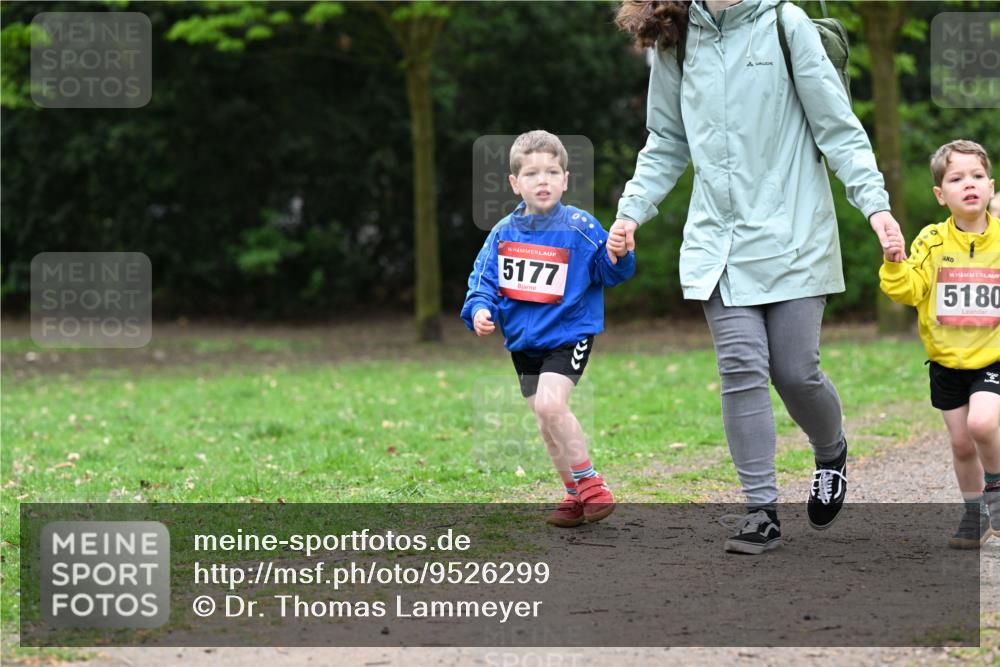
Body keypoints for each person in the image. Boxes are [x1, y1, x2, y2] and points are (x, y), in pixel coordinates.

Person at [611, 0, 906, 554]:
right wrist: (631, 212)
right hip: (717, 242)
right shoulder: (677, 38)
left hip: (794, 231)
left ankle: (831, 450)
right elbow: (666, 140)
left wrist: (877, 208)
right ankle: (760, 509)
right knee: (742, 366)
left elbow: (838, 129)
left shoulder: (785, 23)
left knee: (795, 372)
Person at [461, 130, 636, 526]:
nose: (543, 180)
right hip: (524, 343)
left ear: (566, 179)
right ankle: (574, 494)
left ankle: (592, 484)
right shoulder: (503, 232)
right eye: (533, 173)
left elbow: (608, 271)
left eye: (552, 172)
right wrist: (478, 311)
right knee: (545, 421)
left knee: (550, 404)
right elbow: (482, 282)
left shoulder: (580, 226)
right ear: (514, 183)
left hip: (569, 335)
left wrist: (619, 254)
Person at [880, 140, 1000, 549]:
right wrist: (895, 264)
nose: (969, 184)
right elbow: (911, 291)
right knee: (962, 443)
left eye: (978, 176)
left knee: (982, 424)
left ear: (991, 186)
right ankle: (974, 517)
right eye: (957, 178)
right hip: (946, 361)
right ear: (940, 194)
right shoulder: (931, 241)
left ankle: (996, 490)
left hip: (993, 356)